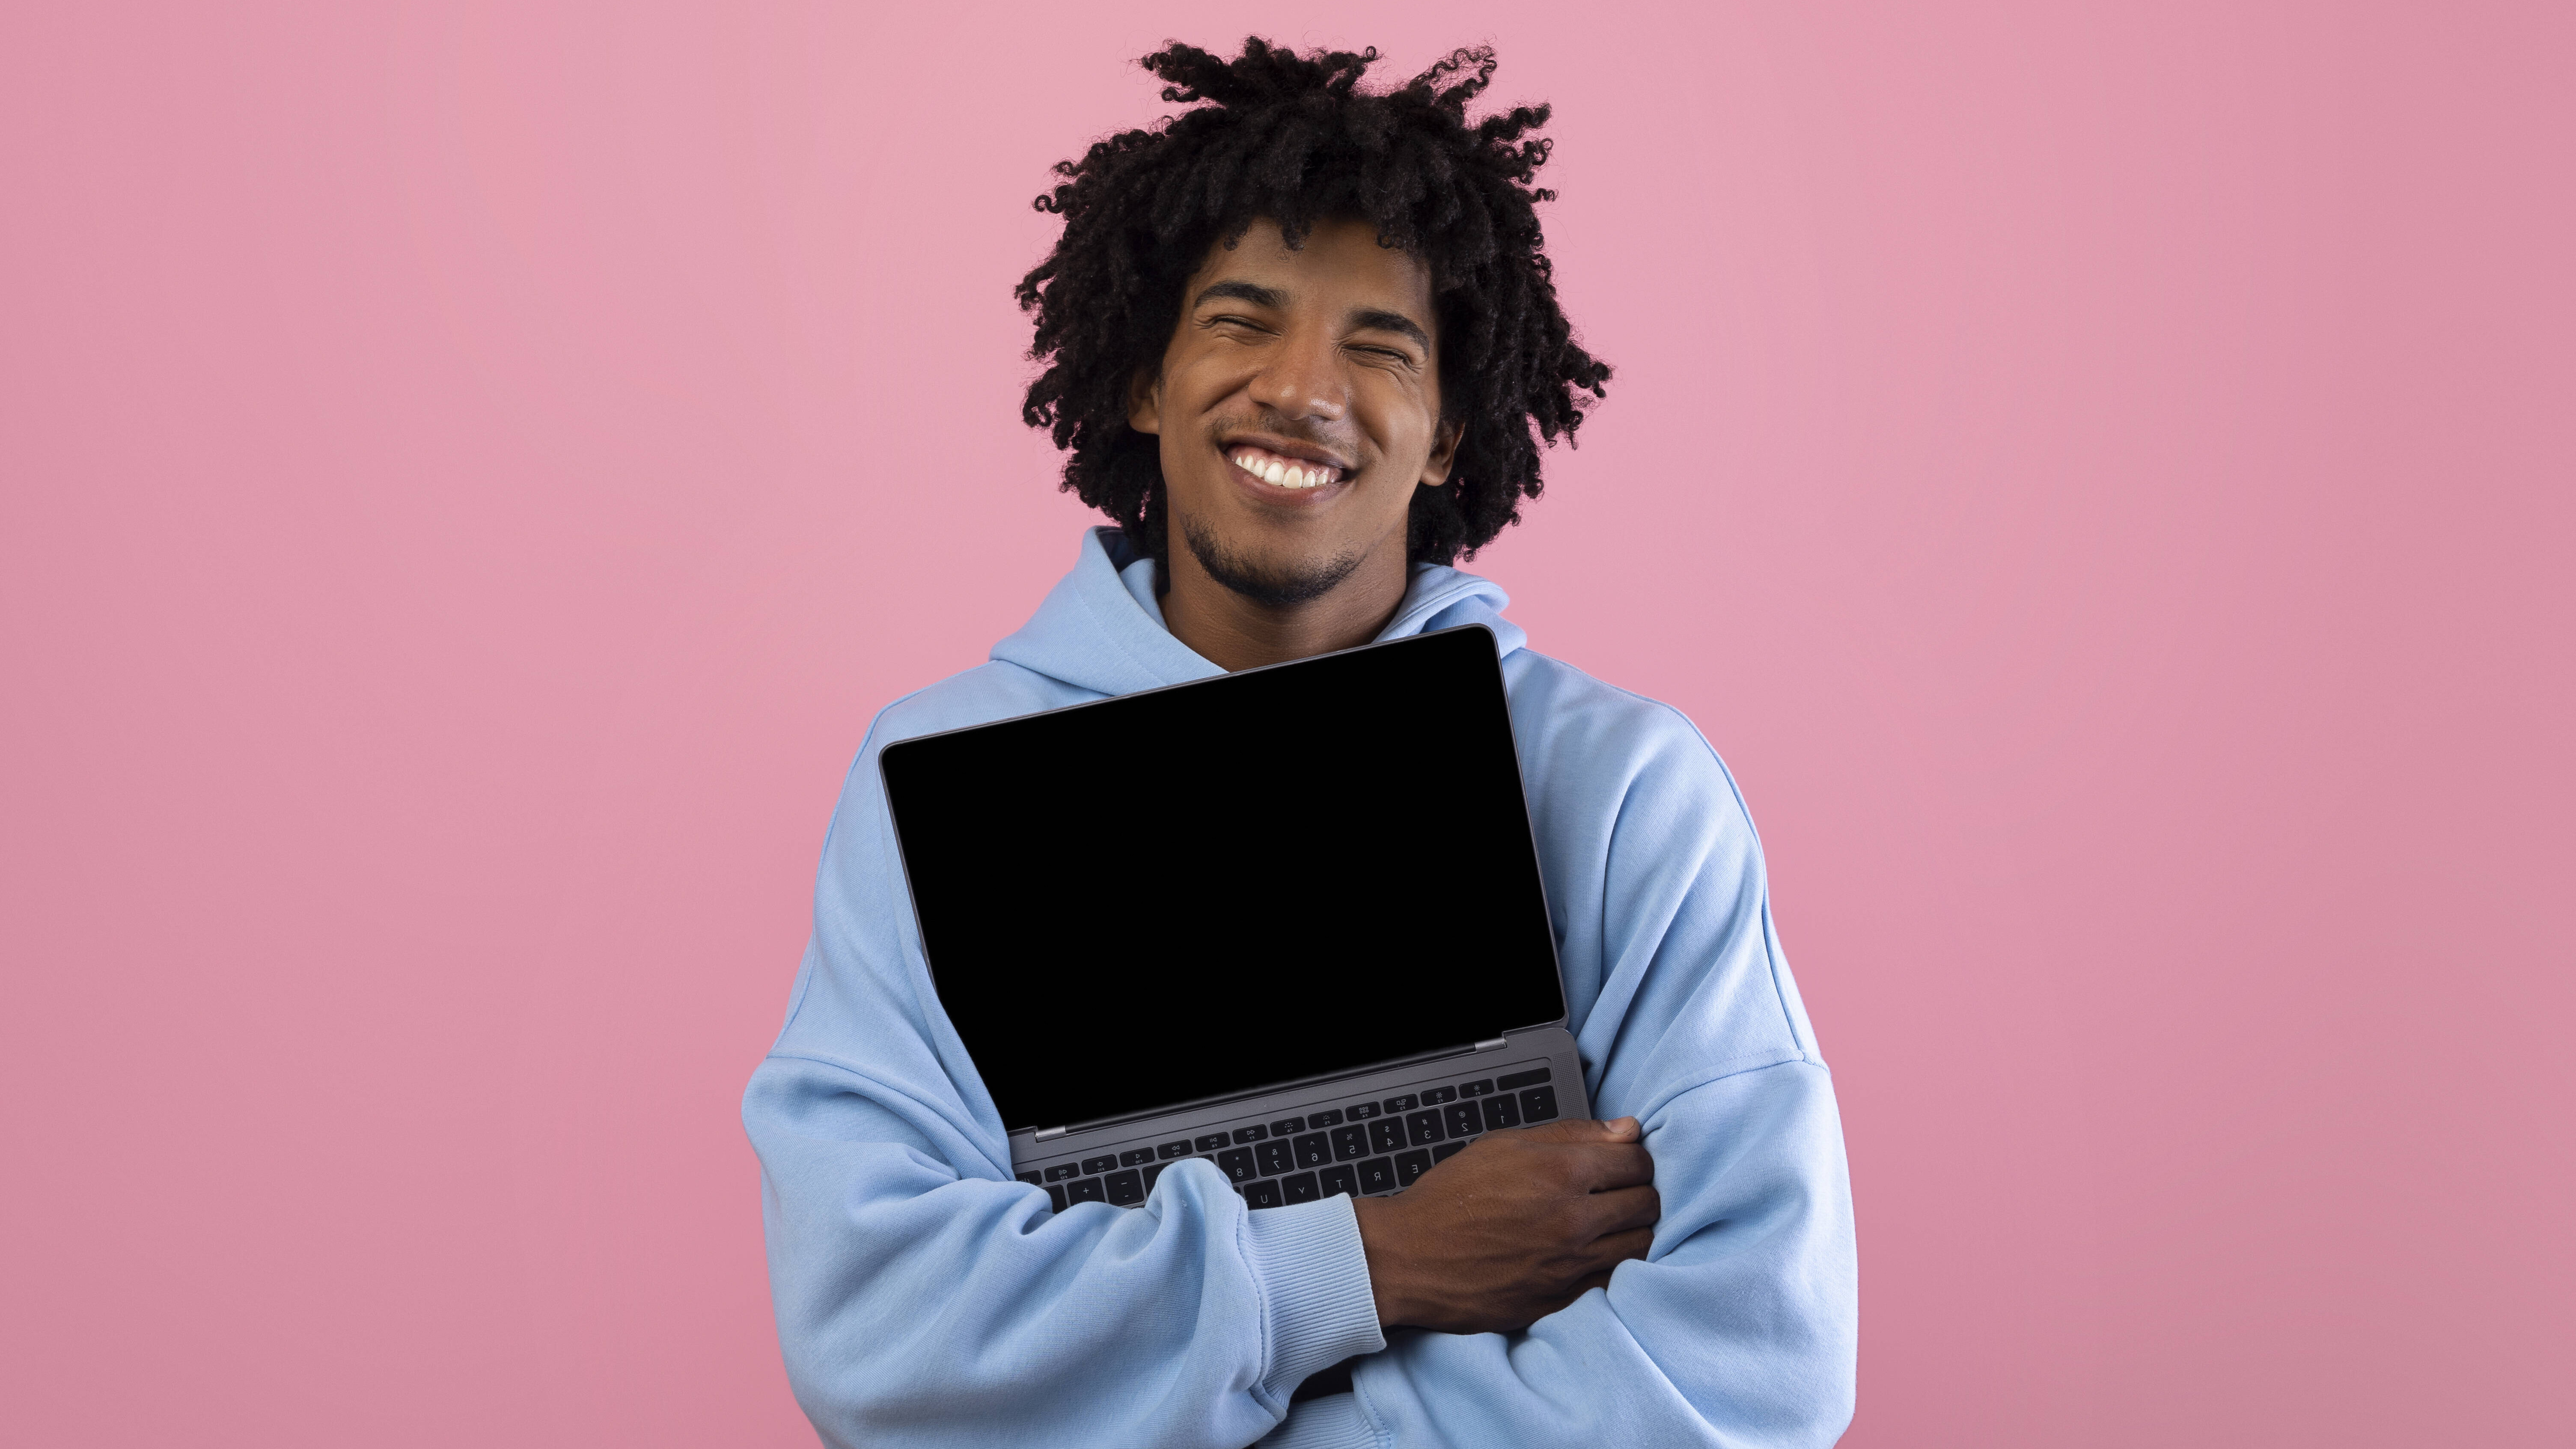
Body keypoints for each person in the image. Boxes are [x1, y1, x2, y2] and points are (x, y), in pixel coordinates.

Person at [742, 39, 1857, 1449]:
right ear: (1144, 381)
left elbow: (1753, 1362)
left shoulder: (1625, 788)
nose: (1300, 389)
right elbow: (878, 1323)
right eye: (1240, 321)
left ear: (1449, 431)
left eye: (1379, 347)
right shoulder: (935, 777)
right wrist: (1377, 1257)